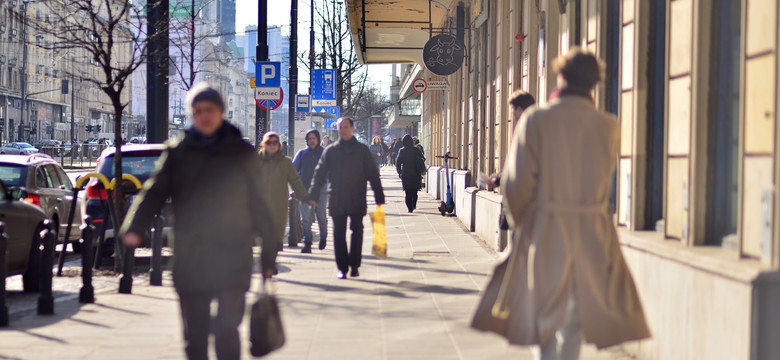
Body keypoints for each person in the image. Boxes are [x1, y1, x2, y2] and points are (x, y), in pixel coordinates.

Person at [483, 48, 651, 359]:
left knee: (544, 312)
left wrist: (525, 224)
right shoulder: (608, 125)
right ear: (593, 83)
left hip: (546, 227)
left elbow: (515, 184)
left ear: (561, 76)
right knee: (575, 317)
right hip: (593, 231)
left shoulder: (536, 119)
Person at [120, 83, 276, 360]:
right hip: (192, 257)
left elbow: (259, 204)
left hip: (233, 256)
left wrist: (267, 256)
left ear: (221, 112)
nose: (204, 116)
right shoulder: (179, 152)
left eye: (210, 110)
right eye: (198, 111)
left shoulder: (240, 153)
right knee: (195, 337)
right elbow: (155, 192)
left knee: (228, 330)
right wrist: (135, 227)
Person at [308, 118, 385, 280]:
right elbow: (319, 174)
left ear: (352, 129)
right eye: (340, 127)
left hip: (356, 197)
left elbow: (373, 174)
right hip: (337, 198)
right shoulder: (331, 151)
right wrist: (314, 195)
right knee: (338, 234)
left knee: (357, 231)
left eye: (345, 127)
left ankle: (355, 265)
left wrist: (379, 196)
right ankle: (342, 267)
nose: (342, 130)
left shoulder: (362, 151)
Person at [484, 90, 536, 231]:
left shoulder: (527, 129)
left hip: (523, 202)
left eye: (513, 110)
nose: (513, 114)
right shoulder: (534, 127)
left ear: (519, 109)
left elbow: (519, 165)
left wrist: (497, 179)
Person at [258, 132, 309, 252]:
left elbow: (295, 181)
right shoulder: (256, 161)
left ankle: (271, 263)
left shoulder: (286, 162)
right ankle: (268, 266)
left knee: (277, 238)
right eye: (269, 143)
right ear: (263, 144)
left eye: (275, 142)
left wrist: (304, 197)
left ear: (279, 145)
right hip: (261, 204)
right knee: (264, 237)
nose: (272, 145)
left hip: (279, 204)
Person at [293, 129, 328, 253]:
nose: (312, 141)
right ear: (307, 141)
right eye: (309, 139)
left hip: (321, 190)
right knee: (306, 218)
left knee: (321, 216)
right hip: (304, 190)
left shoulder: (324, 153)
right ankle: (307, 242)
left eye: (314, 138)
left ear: (318, 139)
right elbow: (293, 170)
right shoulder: (302, 153)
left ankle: (323, 236)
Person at [395, 135, 425, 213]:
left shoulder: (402, 150)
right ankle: (414, 205)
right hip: (416, 173)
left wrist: (399, 172)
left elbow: (398, 162)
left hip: (406, 173)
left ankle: (409, 208)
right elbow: (423, 158)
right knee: (414, 191)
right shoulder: (416, 150)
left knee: (407, 192)